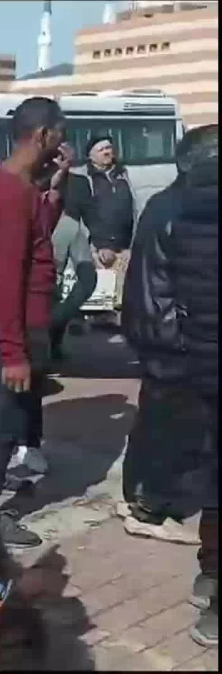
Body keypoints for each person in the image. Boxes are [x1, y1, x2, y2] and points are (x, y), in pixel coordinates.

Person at [118, 124, 218, 648]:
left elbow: (142, 296)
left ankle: (209, 573)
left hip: (183, 363)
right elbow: (148, 294)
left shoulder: (165, 207)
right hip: (185, 362)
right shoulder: (173, 211)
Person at [0, 97, 70, 549]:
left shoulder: (13, 184)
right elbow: (8, 280)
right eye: (60, 133)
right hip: (10, 325)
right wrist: (14, 352)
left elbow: (38, 230)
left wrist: (57, 185)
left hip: (18, 323)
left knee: (0, 416)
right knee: (0, 422)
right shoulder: (9, 193)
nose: (63, 142)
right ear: (43, 134)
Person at [68, 136, 137, 314]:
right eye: (101, 150)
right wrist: (101, 246)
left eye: (109, 148)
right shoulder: (84, 179)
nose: (107, 152)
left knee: (122, 300)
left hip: (124, 247)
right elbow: (85, 216)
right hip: (98, 248)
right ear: (90, 156)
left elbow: (133, 209)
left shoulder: (123, 174)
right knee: (99, 300)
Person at [48, 171, 100, 361]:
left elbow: (88, 278)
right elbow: (88, 278)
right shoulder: (69, 226)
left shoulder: (69, 226)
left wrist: (60, 315)